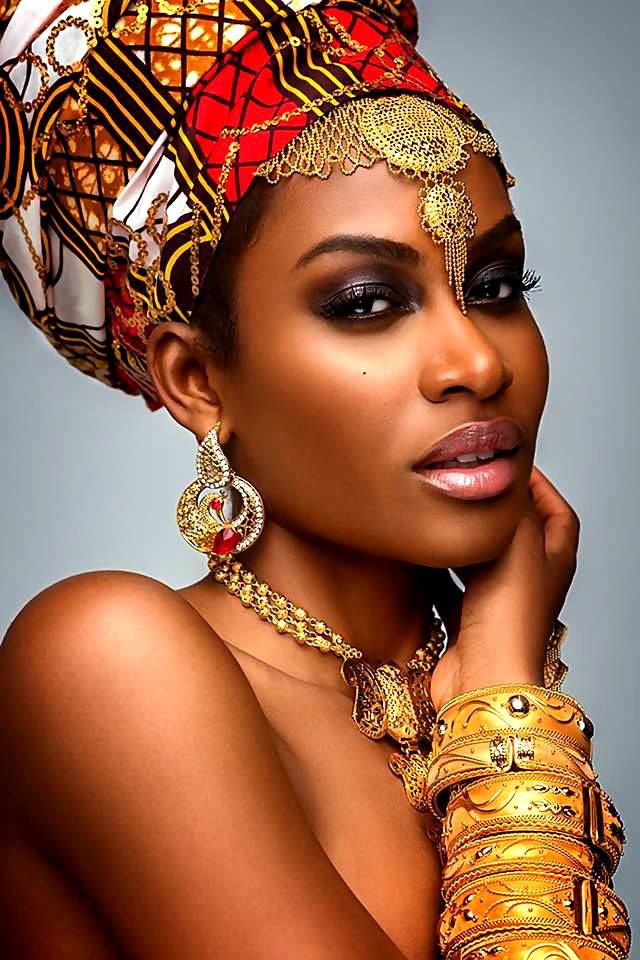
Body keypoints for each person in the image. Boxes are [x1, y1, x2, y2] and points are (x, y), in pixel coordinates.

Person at [0, 0, 631, 957]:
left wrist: (491, 690)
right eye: (365, 302)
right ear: (197, 380)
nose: (476, 362)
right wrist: (513, 727)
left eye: (496, 287)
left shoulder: (450, 684)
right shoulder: (106, 661)